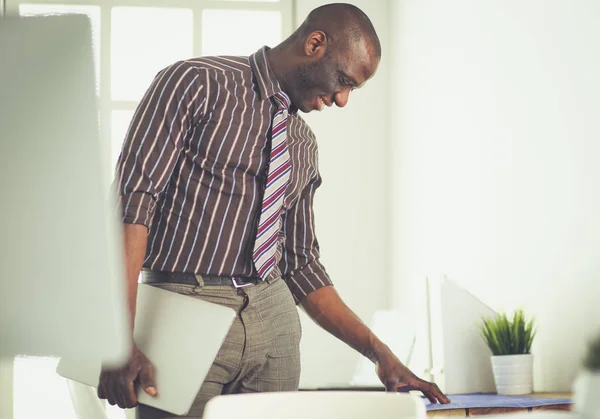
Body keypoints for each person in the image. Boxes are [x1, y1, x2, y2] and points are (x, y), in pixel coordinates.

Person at [97, 3, 450, 418]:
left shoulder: (302, 145)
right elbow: (130, 205)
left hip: (274, 325)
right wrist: (116, 339)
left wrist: (380, 354)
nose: (341, 100)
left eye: (351, 89)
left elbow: (300, 264)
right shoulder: (195, 83)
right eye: (342, 80)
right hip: (185, 310)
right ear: (314, 43)